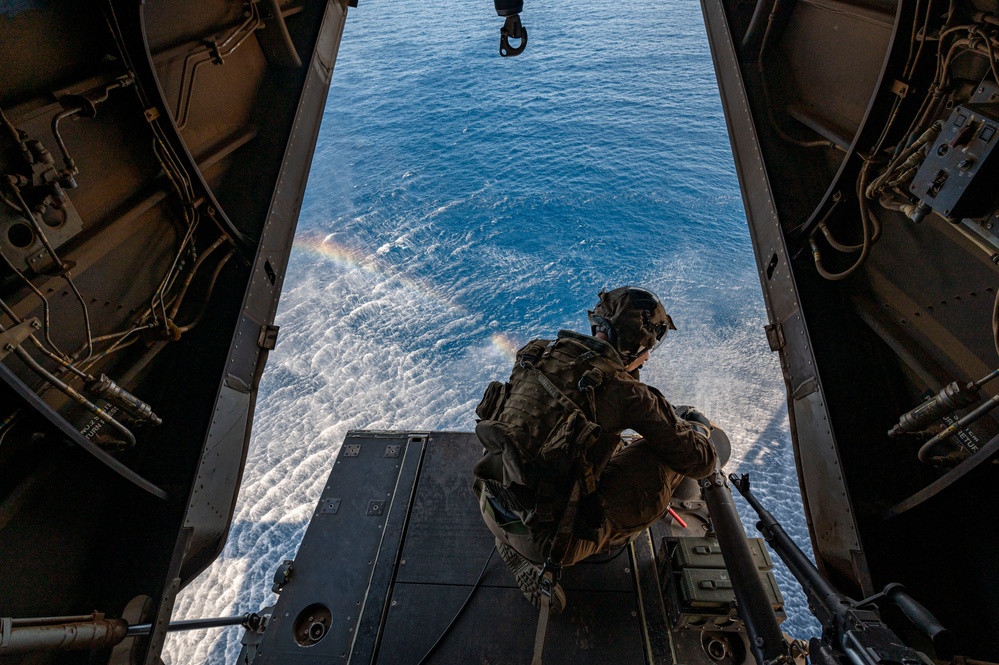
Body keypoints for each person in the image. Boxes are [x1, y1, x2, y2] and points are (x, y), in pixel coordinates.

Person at [471, 286, 718, 615]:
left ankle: (510, 539)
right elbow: (701, 461)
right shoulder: (625, 392)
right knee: (665, 459)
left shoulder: (538, 352)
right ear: (639, 344)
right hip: (550, 541)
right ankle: (538, 553)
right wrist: (698, 427)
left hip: (490, 499)